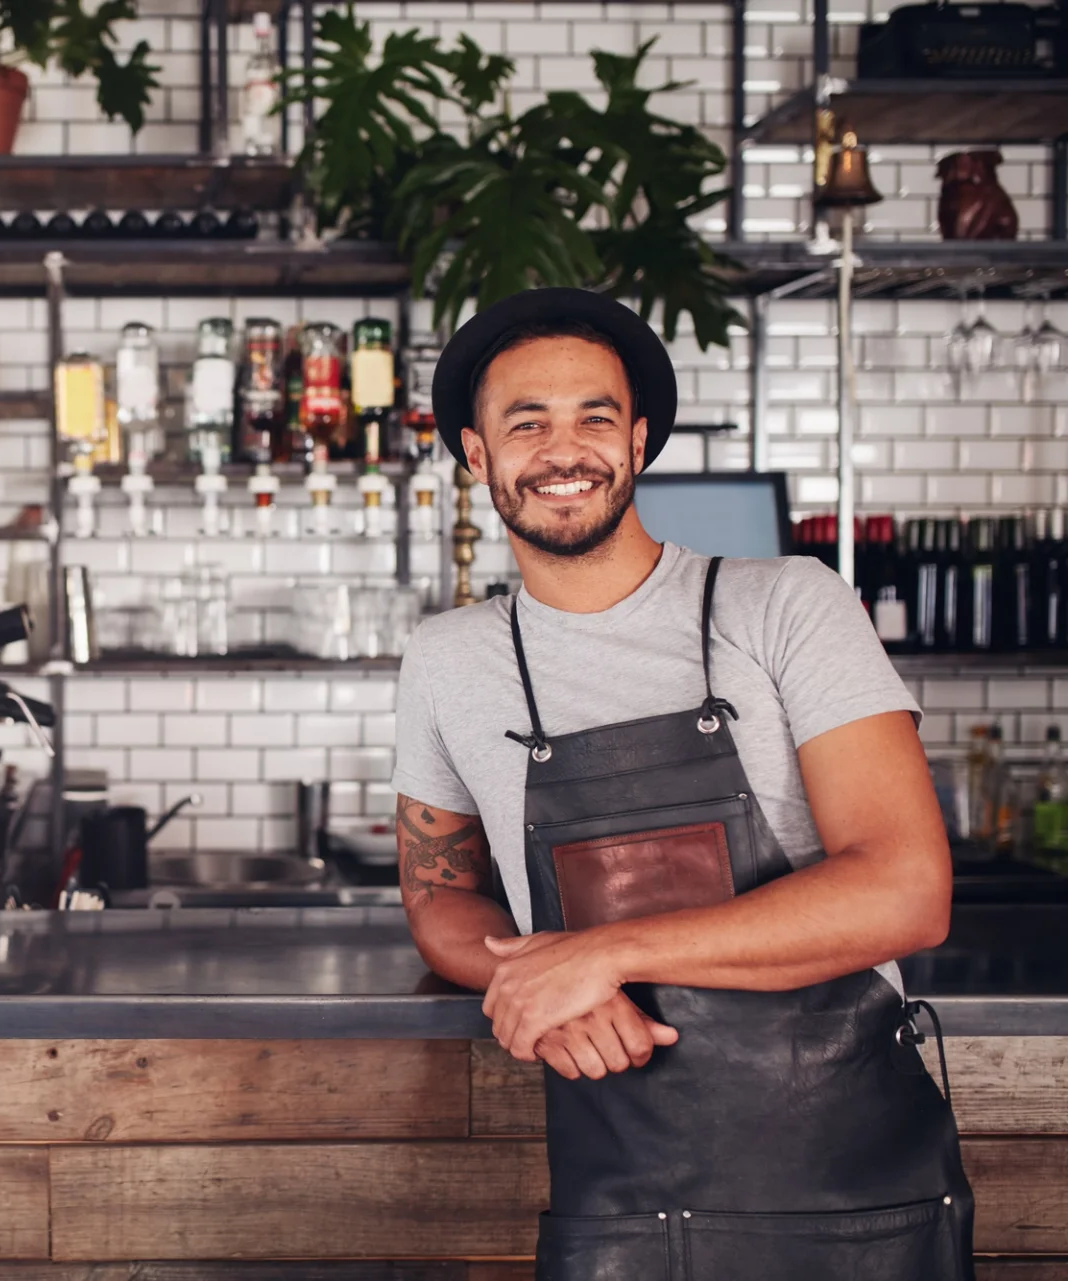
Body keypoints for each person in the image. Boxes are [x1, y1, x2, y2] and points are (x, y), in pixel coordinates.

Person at [391, 288, 973, 1280]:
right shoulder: (447, 660)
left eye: (595, 417)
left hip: (856, 1203)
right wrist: (534, 979)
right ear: (477, 456)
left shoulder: (787, 606)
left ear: (641, 441)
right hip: (618, 1208)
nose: (563, 449)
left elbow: (907, 891)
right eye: (526, 422)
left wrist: (596, 956)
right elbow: (440, 895)